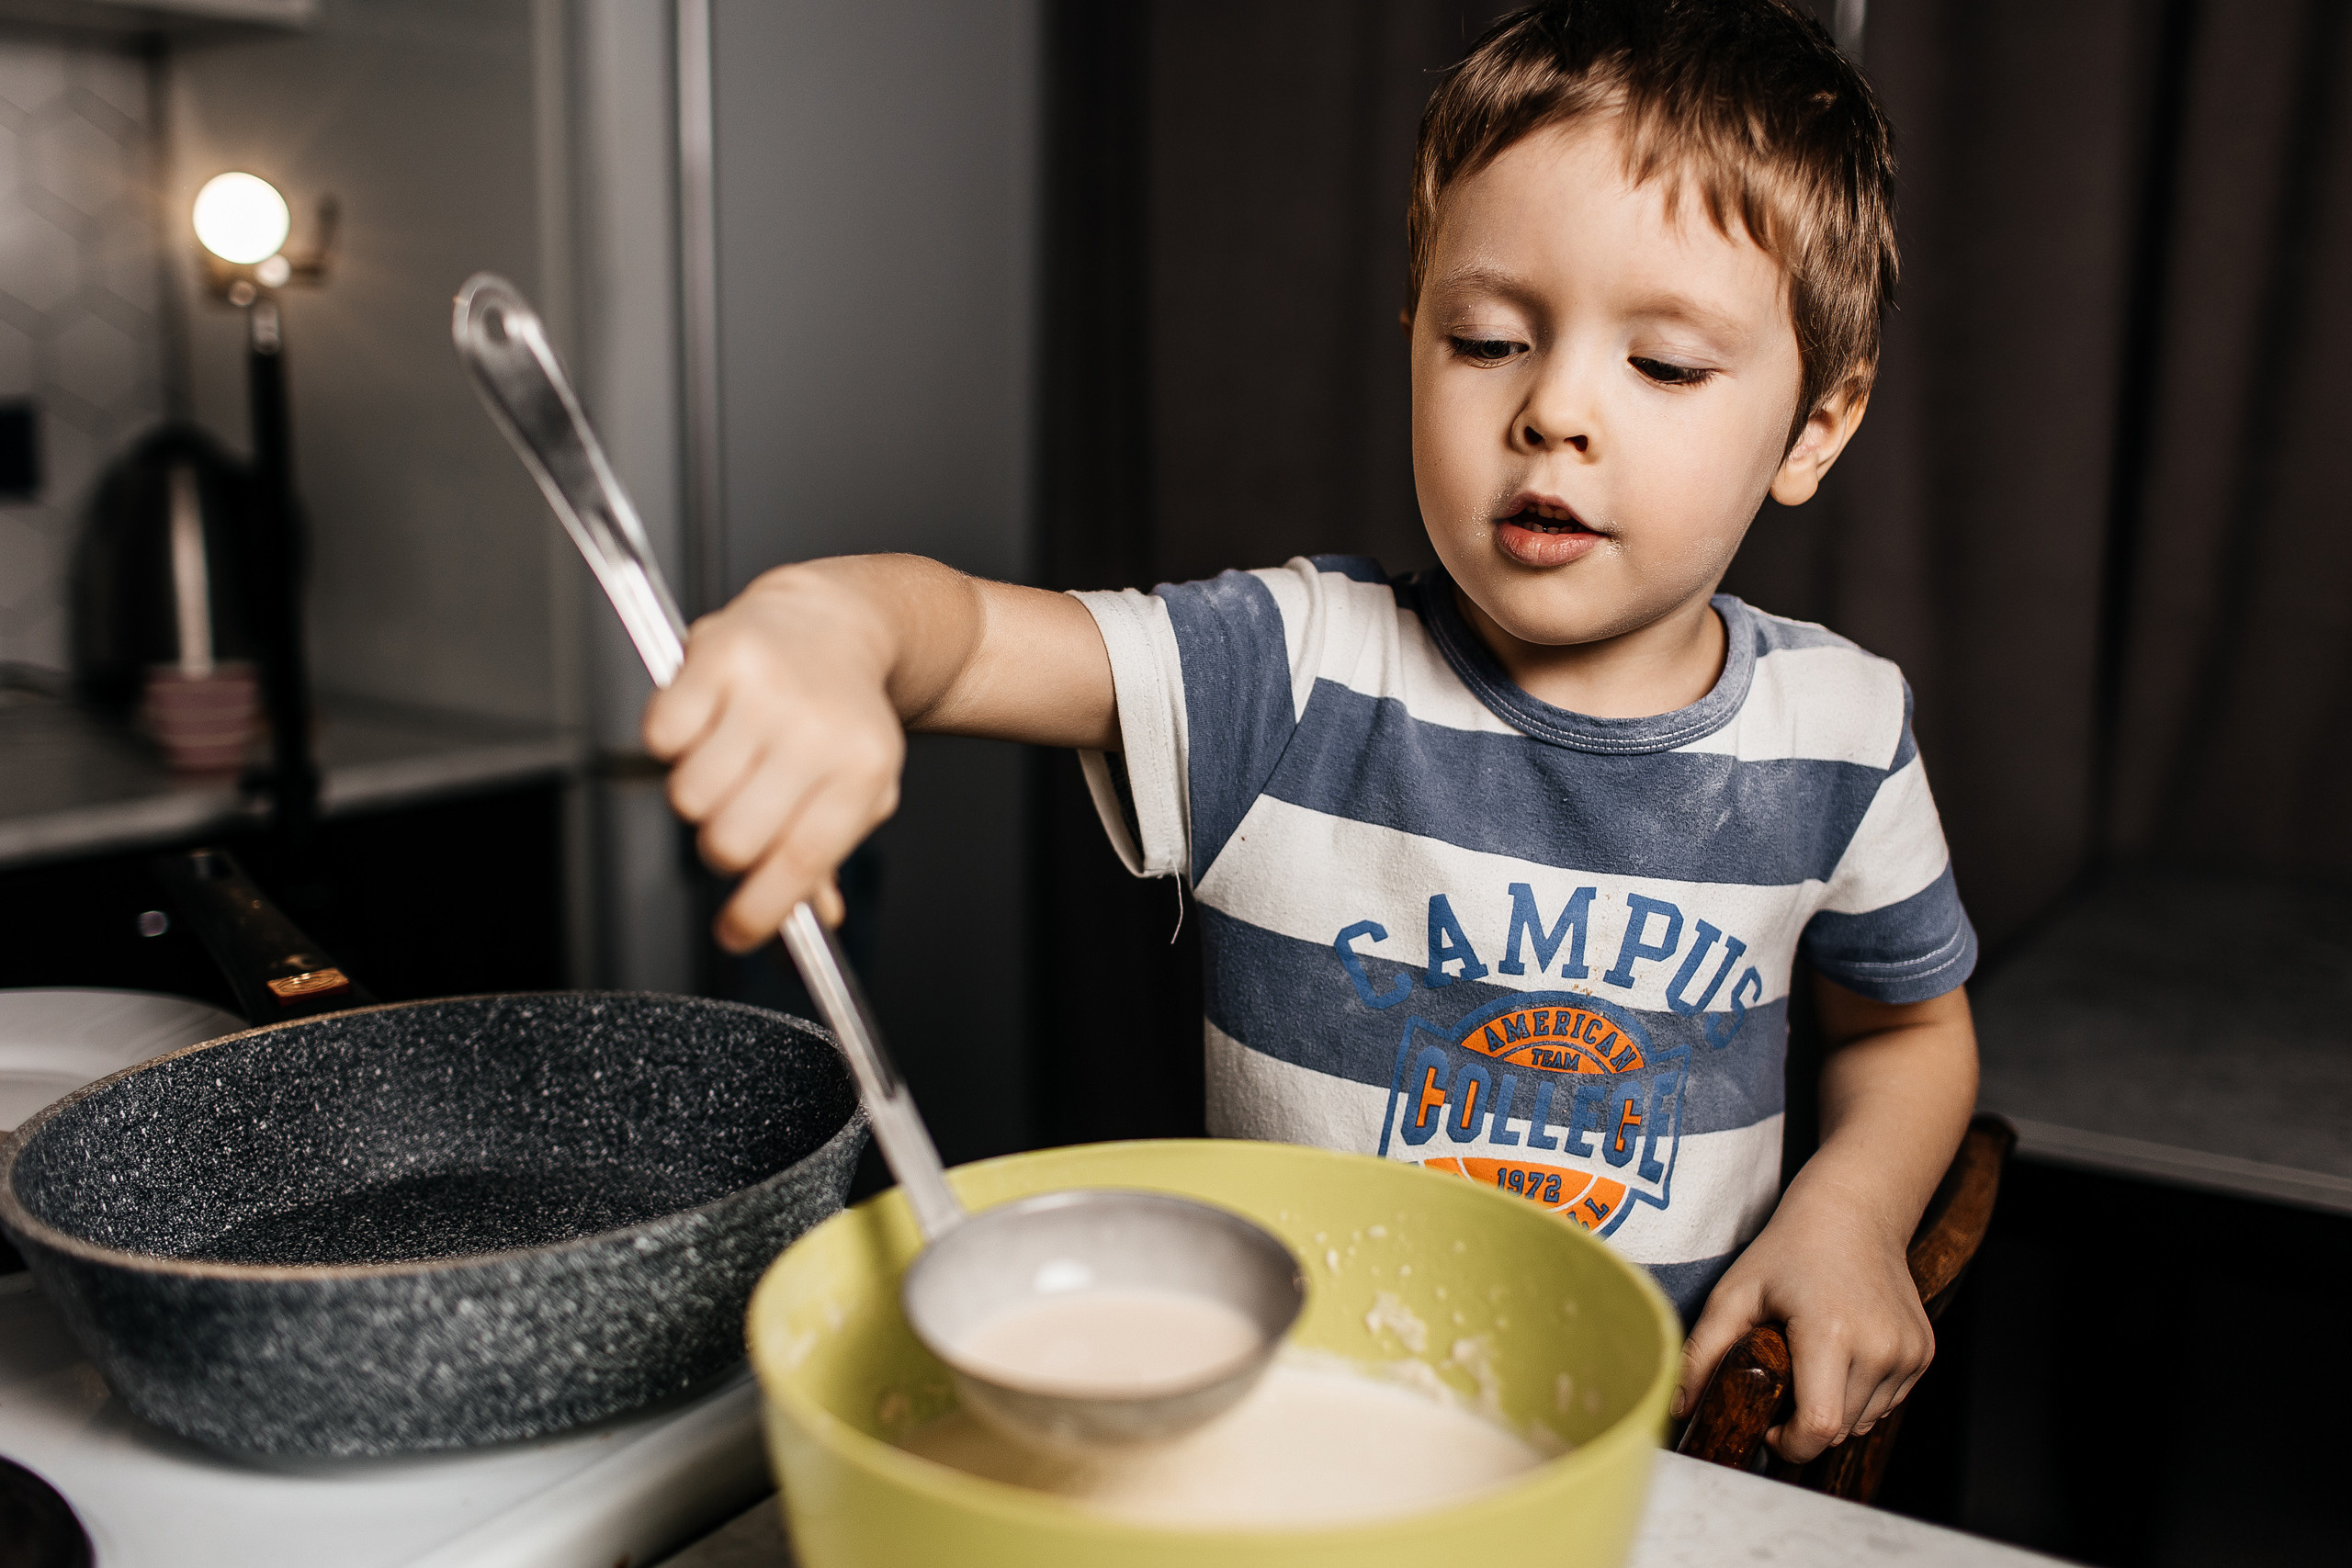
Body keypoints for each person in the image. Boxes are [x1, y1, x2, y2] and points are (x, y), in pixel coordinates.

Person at [645, 0, 1977, 1465]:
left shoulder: (1845, 733)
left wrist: (1850, 1217)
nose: (1555, 411)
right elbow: (958, 636)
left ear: (1816, 427)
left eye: (1663, 366)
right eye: (1486, 339)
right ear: (1414, 340)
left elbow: (1908, 1032)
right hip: (1276, 1453)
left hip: (1647, 1477)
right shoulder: (1287, 673)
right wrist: (832, 632)